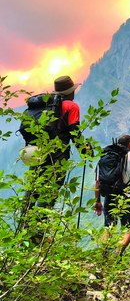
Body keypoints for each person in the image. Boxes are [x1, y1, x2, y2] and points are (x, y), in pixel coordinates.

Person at [31, 75, 83, 208]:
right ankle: (39, 224)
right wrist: (84, 150)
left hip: (37, 152)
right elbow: (74, 131)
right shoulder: (71, 106)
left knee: (32, 190)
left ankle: (25, 223)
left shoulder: (46, 105)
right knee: (50, 190)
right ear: (69, 92)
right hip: (57, 154)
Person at [94, 134, 130, 254]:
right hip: (127, 195)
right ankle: (117, 253)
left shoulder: (107, 156)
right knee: (127, 227)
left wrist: (97, 201)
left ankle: (103, 252)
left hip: (110, 194)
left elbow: (98, 181)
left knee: (109, 225)